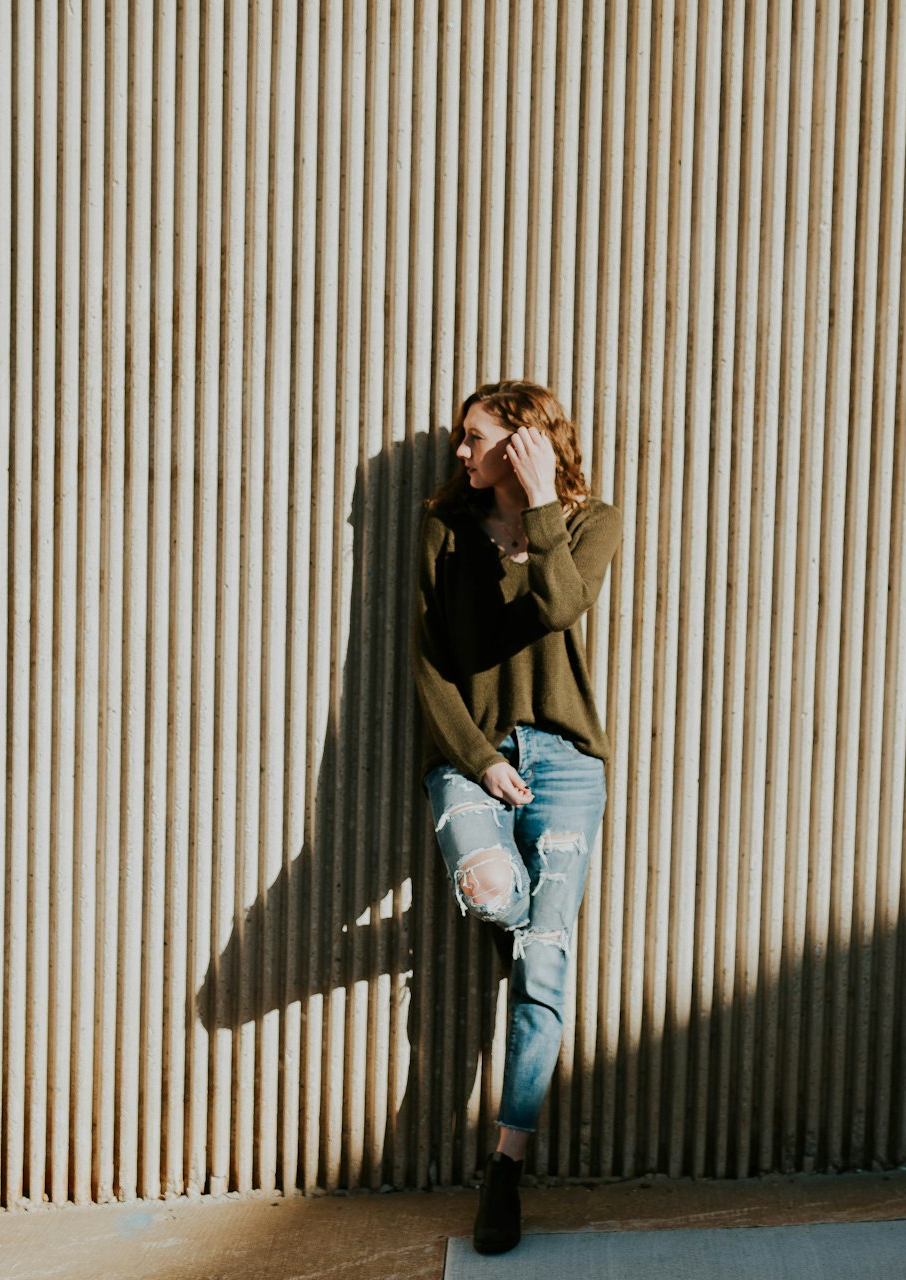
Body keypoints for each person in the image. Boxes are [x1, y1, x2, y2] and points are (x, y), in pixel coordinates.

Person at [411, 379, 623, 1254]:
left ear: (524, 442)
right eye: (462, 439)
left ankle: (507, 1166)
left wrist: (539, 504)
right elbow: (426, 663)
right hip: (472, 759)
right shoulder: (445, 529)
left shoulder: (589, 523)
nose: (460, 453)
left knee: (544, 965)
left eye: (475, 438)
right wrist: (483, 759)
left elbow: (560, 606)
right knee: (500, 895)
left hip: (567, 767)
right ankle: (522, 921)